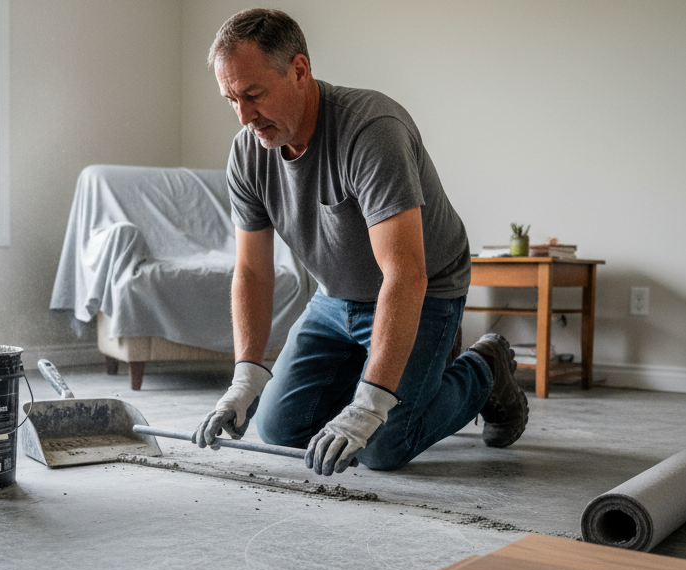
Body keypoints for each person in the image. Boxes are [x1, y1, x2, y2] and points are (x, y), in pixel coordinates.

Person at [194, 8, 528, 476]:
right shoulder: (248, 154)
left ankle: (485, 367)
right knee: (279, 429)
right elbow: (252, 271)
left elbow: (405, 274)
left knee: (382, 445)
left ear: (299, 70)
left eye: (253, 94)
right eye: (231, 99)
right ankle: (395, 376)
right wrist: (246, 376)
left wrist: (370, 405)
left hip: (425, 289)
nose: (245, 116)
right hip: (335, 299)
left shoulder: (371, 131)